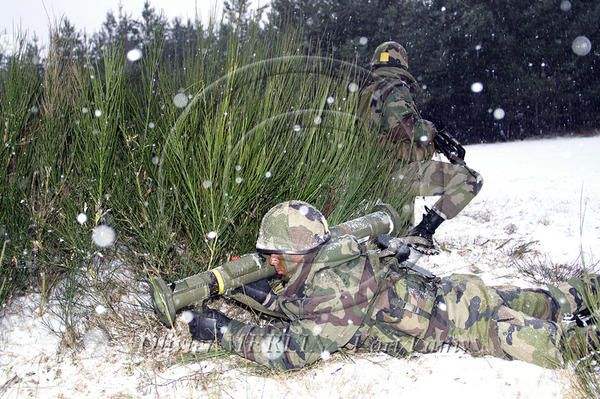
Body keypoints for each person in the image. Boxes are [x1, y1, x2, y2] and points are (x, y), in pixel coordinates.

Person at [187, 200, 598, 370]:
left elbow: (291, 352)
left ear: (304, 251)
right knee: (556, 301)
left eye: (278, 255)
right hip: (455, 293)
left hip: (468, 326)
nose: (271, 262)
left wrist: (223, 330)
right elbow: (302, 303)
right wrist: (248, 290)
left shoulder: (337, 285)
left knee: (567, 348)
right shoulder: (334, 254)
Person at [359, 41, 484, 253]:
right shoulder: (394, 88)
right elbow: (404, 129)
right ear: (402, 63)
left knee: (398, 241)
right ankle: (424, 232)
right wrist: (432, 129)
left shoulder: (367, 92)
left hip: (376, 173)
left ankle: (398, 249)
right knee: (471, 179)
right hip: (398, 171)